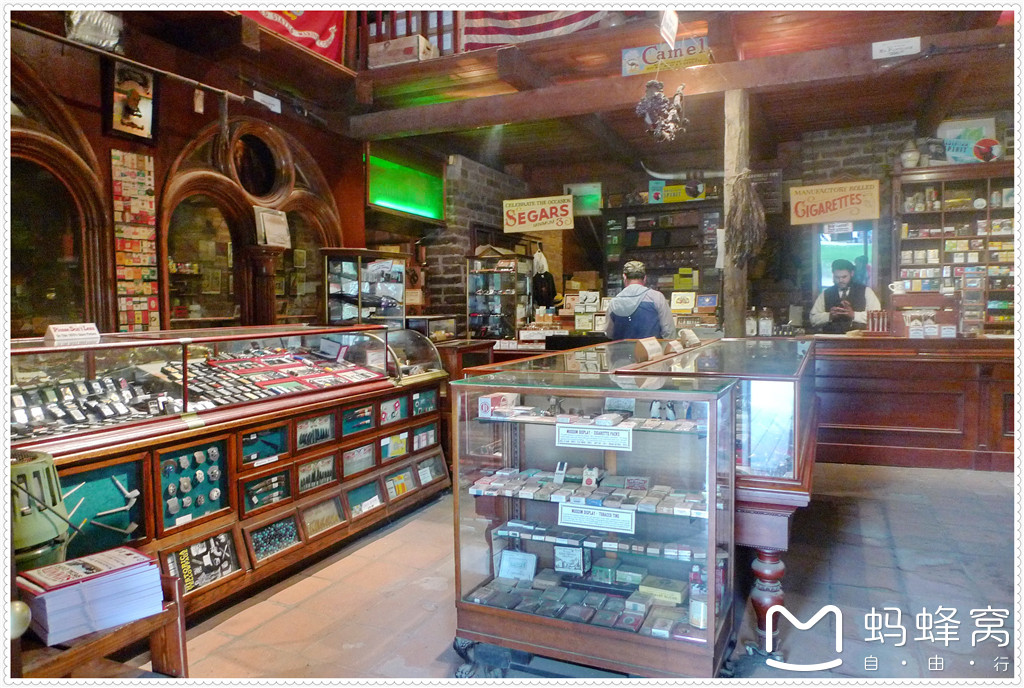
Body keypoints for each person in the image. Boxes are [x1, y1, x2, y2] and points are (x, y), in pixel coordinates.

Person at [603, 260, 674, 340]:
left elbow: (609, 333)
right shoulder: (657, 297)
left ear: (624, 277)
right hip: (650, 348)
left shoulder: (614, 302)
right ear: (645, 278)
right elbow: (668, 330)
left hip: (622, 348)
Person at [809, 258, 881, 333]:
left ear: (852, 273)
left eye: (844, 277)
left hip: (859, 338)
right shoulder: (826, 293)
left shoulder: (866, 291)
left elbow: (877, 317)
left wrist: (853, 315)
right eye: (837, 277)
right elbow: (813, 319)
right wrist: (829, 316)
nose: (840, 280)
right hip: (832, 339)